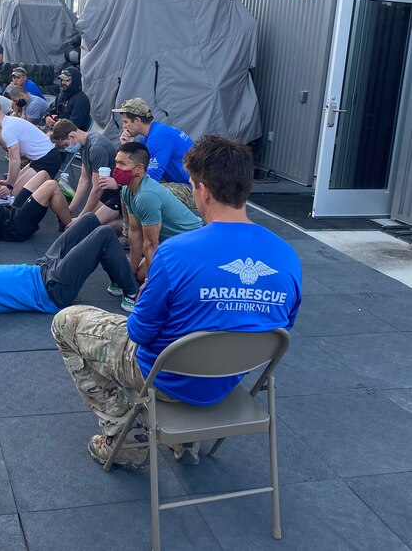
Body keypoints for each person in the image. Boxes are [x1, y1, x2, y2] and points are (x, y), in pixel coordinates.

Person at [52, 135, 302, 469]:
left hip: (166, 379)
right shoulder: (287, 257)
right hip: (226, 381)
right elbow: (279, 329)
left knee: (65, 322)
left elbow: (139, 332)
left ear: (203, 191)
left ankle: (123, 436)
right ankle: (185, 440)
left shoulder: (176, 253)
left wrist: (148, 297)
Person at [0, 213, 138, 314]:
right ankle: (132, 294)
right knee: (104, 234)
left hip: (41, 268)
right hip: (51, 290)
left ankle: (118, 278)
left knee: (89, 220)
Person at [111, 142, 201, 289]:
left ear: (139, 169)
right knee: (139, 275)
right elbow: (135, 232)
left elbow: (151, 244)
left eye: (122, 164)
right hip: (168, 244)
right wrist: (131, 273)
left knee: (159, 283)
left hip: (190, 244)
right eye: (116, 162)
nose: (117, 168)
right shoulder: (128, 190)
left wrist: (150, 284)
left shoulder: (146, 196)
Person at [111, 97, 195, 209]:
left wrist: (118, 184)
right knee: (129, 189)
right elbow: (139, 167)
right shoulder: (149, 136)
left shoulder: (158, 137)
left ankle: (142, 221)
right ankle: (132, 220)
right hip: (179, 181)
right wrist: (128, 145)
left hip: (193, 188)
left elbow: (151, 178)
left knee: (145, 193)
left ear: (137, 120)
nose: (123, 126)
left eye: (125, 122)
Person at [0, 96, 62, 195]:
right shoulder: (11, 120)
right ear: (1, 109)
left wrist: (9, 185)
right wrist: (10, 181)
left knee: (14, 192)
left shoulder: (7, 130)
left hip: (48, 160)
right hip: (41, 157)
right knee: (13, 186)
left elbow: (15, 161)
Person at [50, 119, 121, 229]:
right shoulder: (83, 145)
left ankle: (130, 225)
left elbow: (97, 188)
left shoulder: (96, 148)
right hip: (106, 192)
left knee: (90, 227)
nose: (66, 148)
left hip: (117, 193)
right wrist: (70, 209)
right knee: (85, 223)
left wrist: (81, 218)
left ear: (72, 136)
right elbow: (84, 180)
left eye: (65, 145)